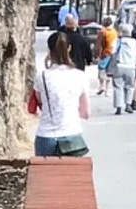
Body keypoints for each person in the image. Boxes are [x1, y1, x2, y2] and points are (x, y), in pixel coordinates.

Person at [29, 29, 93, 157]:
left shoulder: (41, 77)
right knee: (68, 176)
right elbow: (86, 113)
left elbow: (41, 102)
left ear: (49, 50)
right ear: (69, 48)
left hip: (46, 136)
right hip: (72, 136)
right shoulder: (80, 76)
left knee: (46, 176)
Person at [108, 25, 136, 112]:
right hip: (131, 67)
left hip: (119, 66)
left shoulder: (118, 41)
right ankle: (128, 105)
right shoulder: (135, 43)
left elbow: (112, 51)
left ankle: (119, 107)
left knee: (118, 87)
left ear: (121, 32)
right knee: (130, 87)